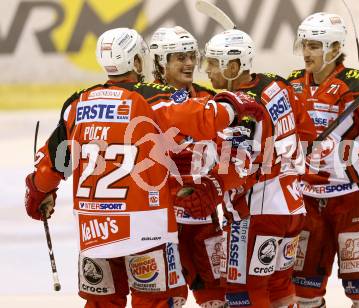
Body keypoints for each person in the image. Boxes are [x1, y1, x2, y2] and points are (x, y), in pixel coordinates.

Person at [23, 27, 265, 308]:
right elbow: (206, 118)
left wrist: (40, 192)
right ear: (139, 62)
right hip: (145, 230)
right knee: (155, 302)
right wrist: (236, 102)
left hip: (95, 230)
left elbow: (53, 164)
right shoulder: (150, 98)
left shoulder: (78, 103)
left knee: (101, 304)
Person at [286, 12, 359, 307]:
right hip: (307, 201)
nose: (306, 52)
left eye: (314, 45)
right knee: (303, 291)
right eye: (305, 45)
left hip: (354, 200)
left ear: (334, 47)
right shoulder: (291, 86)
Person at [192, 28, 315, 308]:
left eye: (213, 63)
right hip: (292, 206)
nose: (206, 70)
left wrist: (208, 184)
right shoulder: (277, 86)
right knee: (279, 286)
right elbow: (307, 133)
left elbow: (237, 167)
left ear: (233, 67)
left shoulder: (239, 108)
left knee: (243, 291)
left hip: (257, 211)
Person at [148, 26, 226, 307]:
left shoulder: (210, 100)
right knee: (168, 300)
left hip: (204, 218)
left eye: (192, 56)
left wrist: (215, 187)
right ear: (160, 62)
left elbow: (232, 152)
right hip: (159, 223)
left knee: (218, 298)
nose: (190, 63)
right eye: (180, 57)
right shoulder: (143, 101)